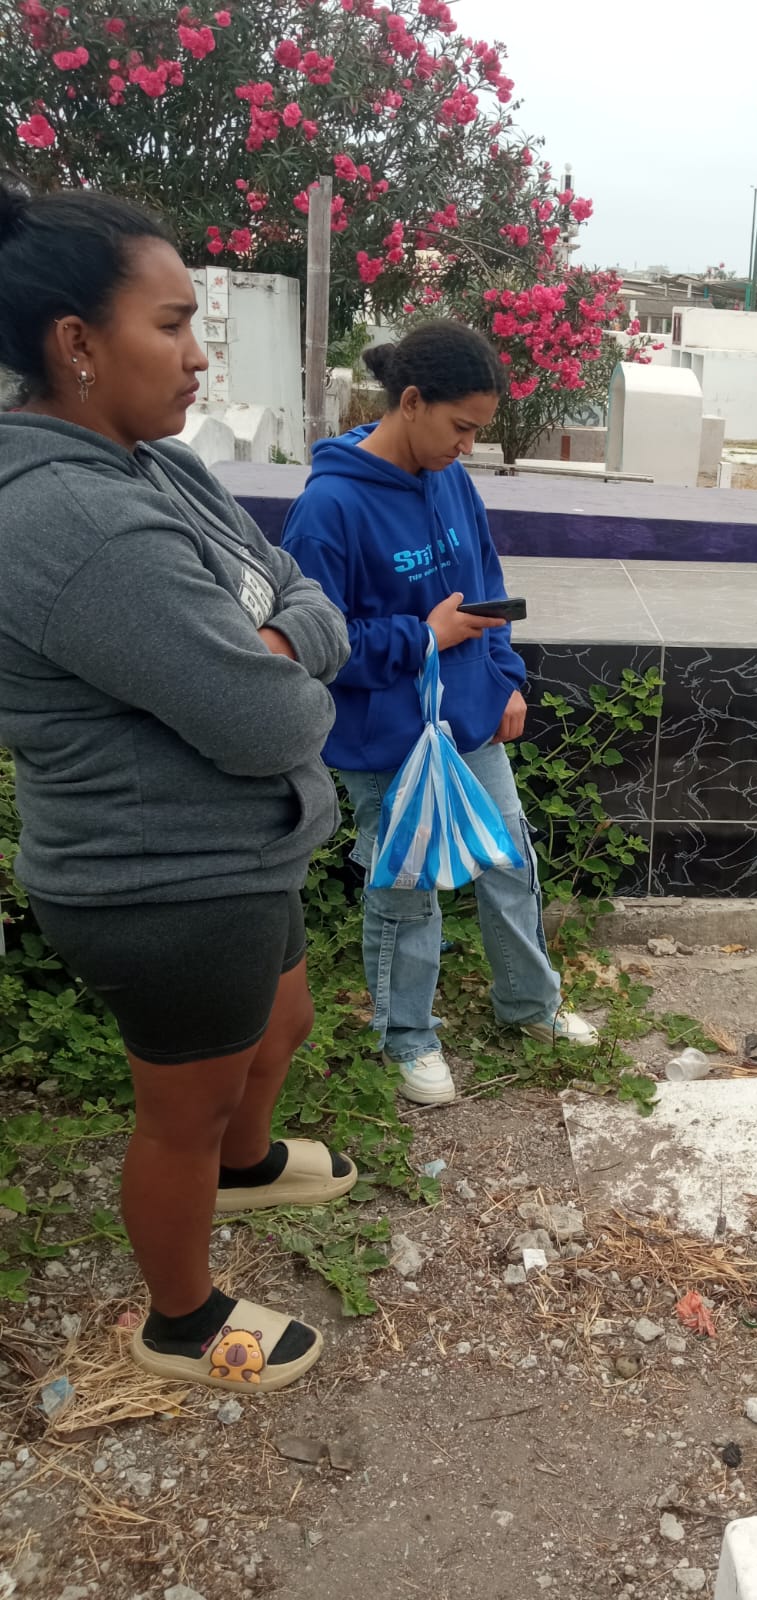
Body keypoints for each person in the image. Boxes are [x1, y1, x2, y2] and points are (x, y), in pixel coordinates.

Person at [0, 176, 356, 1393]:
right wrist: (287, 659)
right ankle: (182, 1319)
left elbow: (295, 583)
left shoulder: (159, 465)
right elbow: (270, 719)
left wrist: (280, 637)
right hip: (163, 879)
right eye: (172, 324)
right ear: (77, 342)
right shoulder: (72, 519)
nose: (200, 356)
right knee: (182, 1112)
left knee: (282, 1023)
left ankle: (247, 1169)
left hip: (242, 849)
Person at [282, 321, 598, 1107]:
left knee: (509, 860)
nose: (467, 446)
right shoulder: (329, 506)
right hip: (385, 735)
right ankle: (408, 1038)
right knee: (406, 887)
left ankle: (530, 1005)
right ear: (412, 401)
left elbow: (487, 587)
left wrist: (504, 676)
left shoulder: (450, 479)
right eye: (461, 427)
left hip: (469, 719)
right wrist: (423, 637)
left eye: (478, 431)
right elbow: (316, 642)